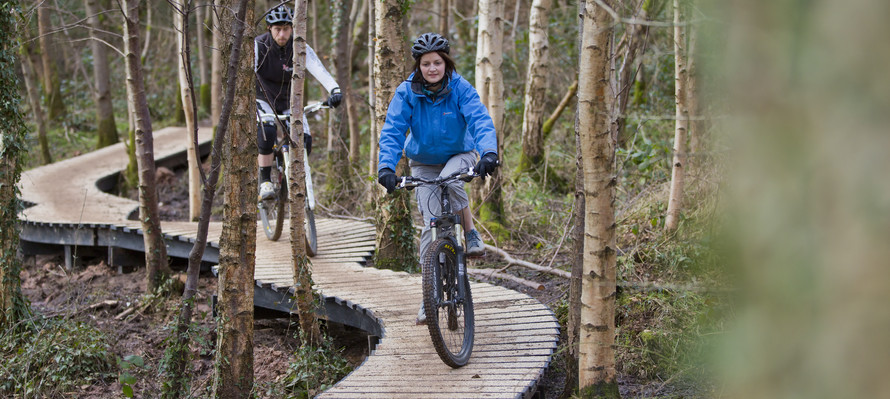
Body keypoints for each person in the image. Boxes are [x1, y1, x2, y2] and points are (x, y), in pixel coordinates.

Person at [376, 33, 500, 323]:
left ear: (446, 63)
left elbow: (479, 119)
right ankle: (429, 297)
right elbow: (393, 130)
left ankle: (470, 233)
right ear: (418, 66)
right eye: (426, 64)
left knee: (449, 179)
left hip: (461, 154)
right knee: (430, 227)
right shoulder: (407, 92)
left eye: (437, 63)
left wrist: (489, 153)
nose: (432, 69)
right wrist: (386, 167)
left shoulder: (460, 88)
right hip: (423, 163)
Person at [256, 5, 342, 199]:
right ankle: (265, 181)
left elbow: (319, 70)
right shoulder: (259, 46)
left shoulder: (300, 47)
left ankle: (290, 176)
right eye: (277, 29)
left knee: (305, 140)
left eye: (286, 28)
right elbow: (247, 71)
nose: (282, 34)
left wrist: (334, 90)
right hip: (263, 98)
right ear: (269, 28)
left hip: (290, 101)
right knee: (267, 132)